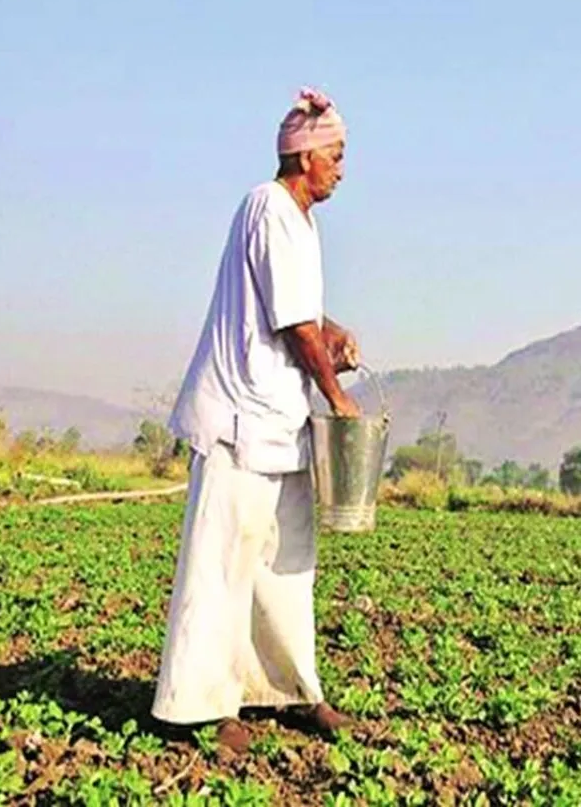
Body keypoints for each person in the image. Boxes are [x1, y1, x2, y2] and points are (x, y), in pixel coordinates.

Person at [151, 87, 362, 753]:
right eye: (335, 153)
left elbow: (301, 313)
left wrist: (333, 333)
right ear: (302, 157)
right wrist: (338, 394)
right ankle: (204, 703)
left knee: (284, 561)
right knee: (223, 563)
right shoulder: (268, 206)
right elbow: (292, 324)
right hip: (240, 417)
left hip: (279, 419)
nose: (341, 167)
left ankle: (290, 689)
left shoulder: (302, 220)